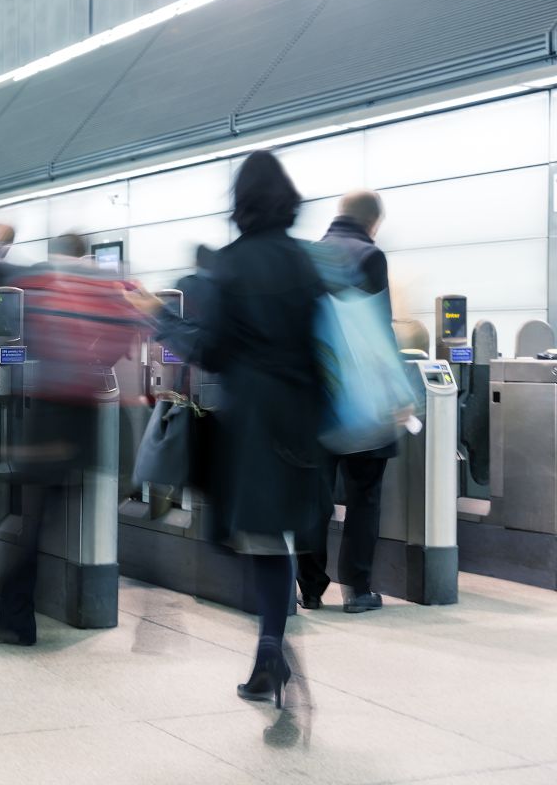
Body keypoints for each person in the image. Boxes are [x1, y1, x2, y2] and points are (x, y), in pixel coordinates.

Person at [135, 150, 325, 708]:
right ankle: (270, 649)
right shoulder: (307, 262)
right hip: (302, 415)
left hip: (253, 419)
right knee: (275, 534)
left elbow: (212, 350)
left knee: (255, 537)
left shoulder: (232, 264)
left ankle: (270, 653)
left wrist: (160, 316)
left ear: (240, 203)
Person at [0, 233, 147, 646]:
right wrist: (98, 361)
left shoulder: (42, 281)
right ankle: (87, 605)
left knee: (28, 522)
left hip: (49, 416)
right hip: (89, 417)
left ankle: (14, 622)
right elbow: (133, 325)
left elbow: (23, 336)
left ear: (56, 253)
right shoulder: (108, 286)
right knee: (82, 513)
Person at [297, 190, 392, 614]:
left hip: (314, 396)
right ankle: (357, 589)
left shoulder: (308, 256)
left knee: (313, 497)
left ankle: (310, 589)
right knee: (364, 494)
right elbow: (377, 329)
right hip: (361, 396)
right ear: (374, 222)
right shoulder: (370, 256)